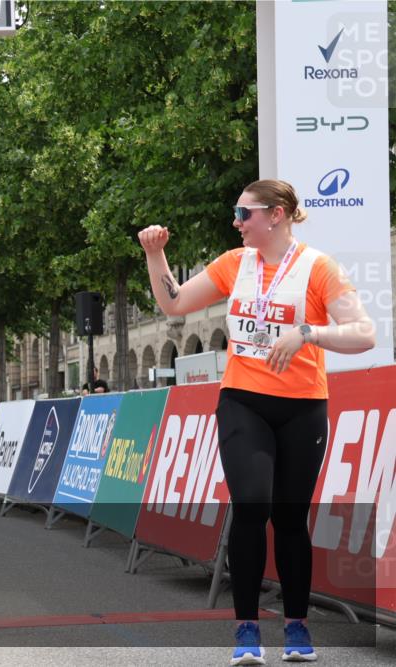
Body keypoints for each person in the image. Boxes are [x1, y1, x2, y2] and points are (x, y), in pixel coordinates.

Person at [138, 179, 375, 665]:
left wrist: (308, 333)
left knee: (289, 518)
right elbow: (175, 303)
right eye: (236, 213)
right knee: (251, 505)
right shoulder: (234, 263)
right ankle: (246, 628)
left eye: (243, 213)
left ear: (277, 214)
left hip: (302, 404)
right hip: (243, 400)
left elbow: (364, 334)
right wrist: (155, 254)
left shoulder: (317, 267)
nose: (236, 222)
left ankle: (296, 626)